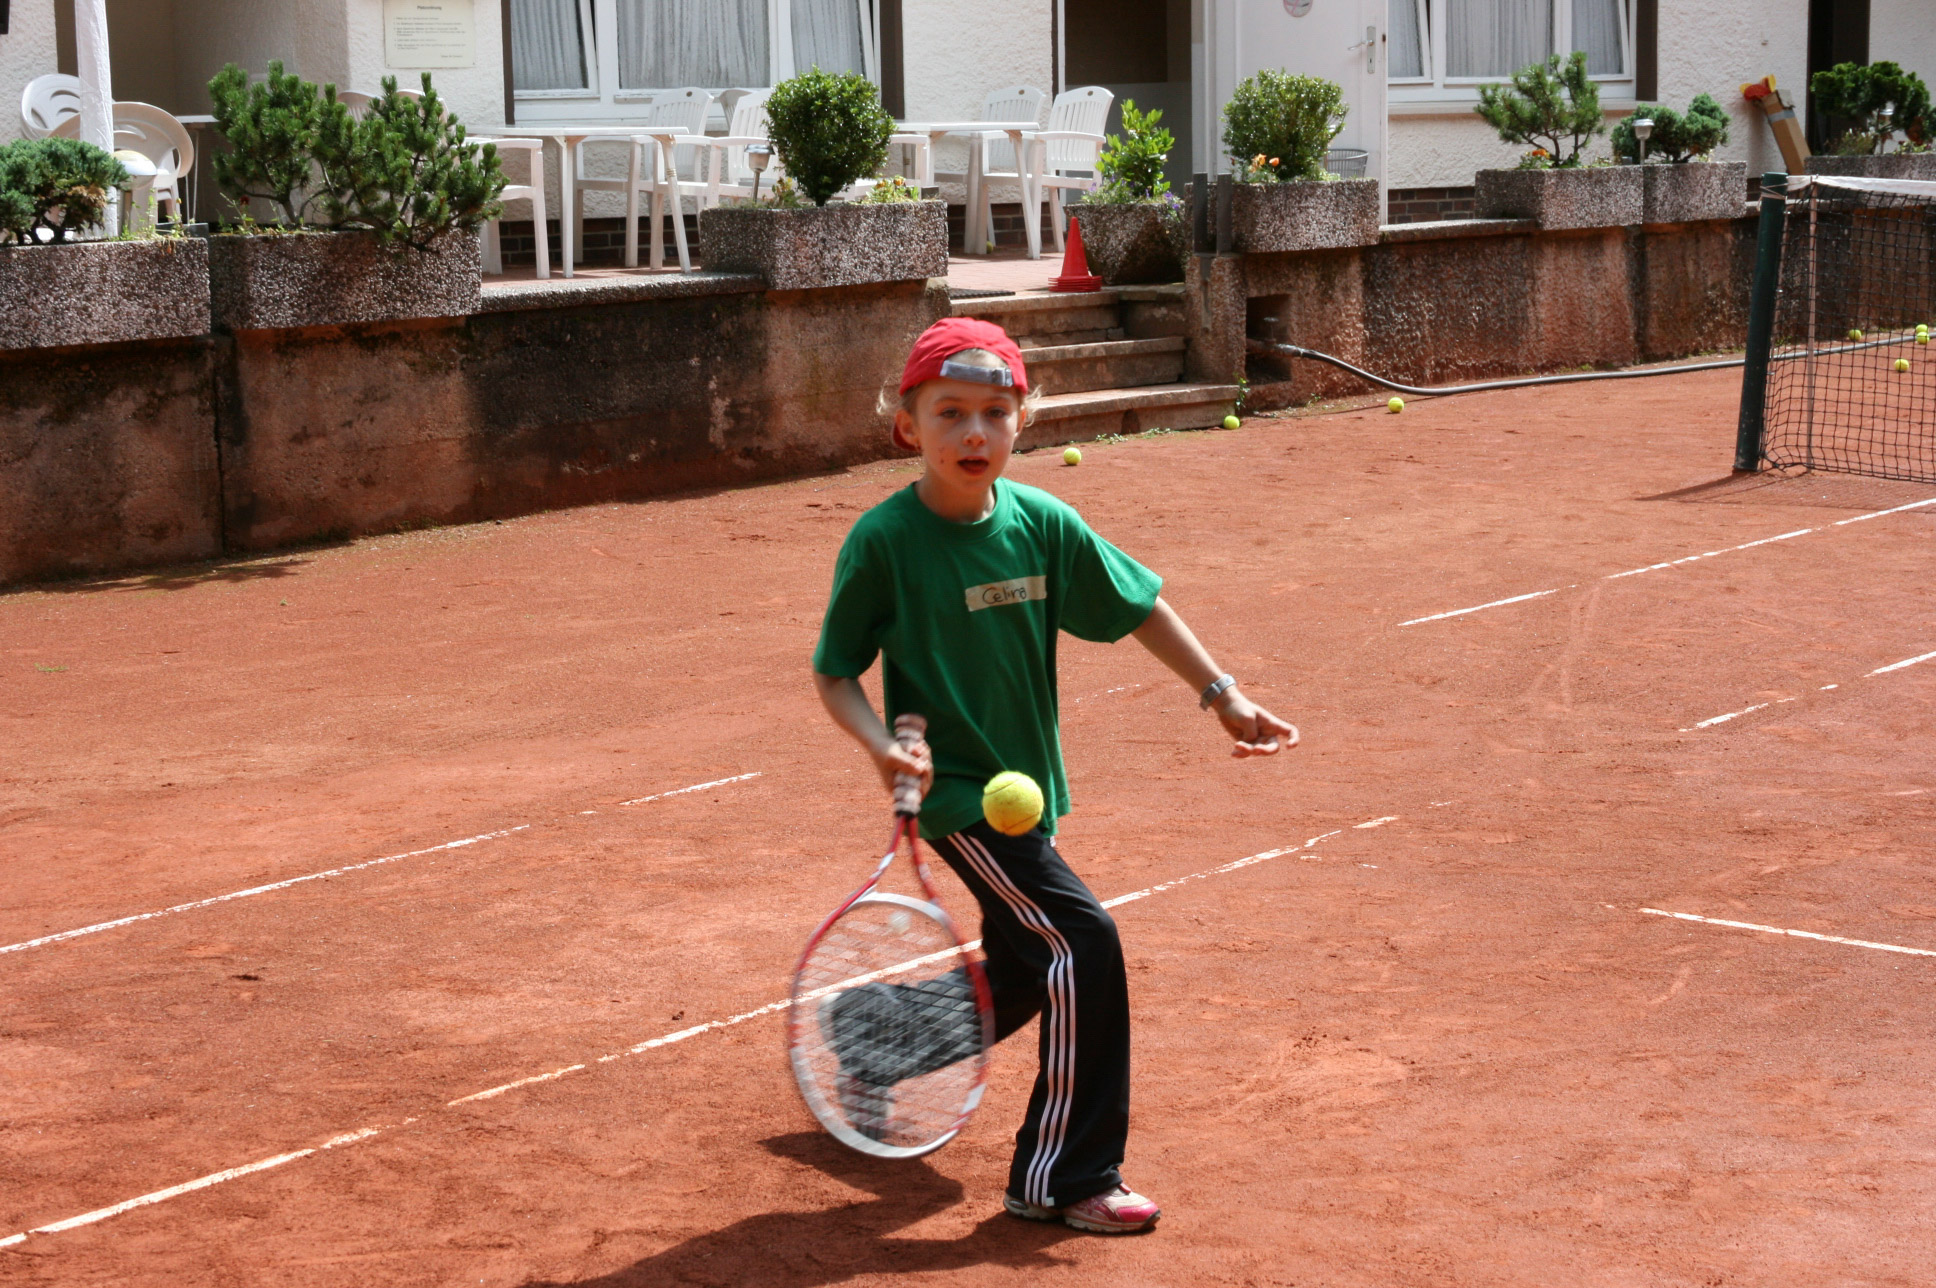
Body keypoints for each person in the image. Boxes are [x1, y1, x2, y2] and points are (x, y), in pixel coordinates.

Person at [811, 316, 1297, 1235]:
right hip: (961, 796)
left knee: (1028, 971)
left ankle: (870, 1040)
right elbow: (835, 668)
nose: (973, 433)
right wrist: (881, 745)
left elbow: (1139, 603)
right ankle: (1063, 1178)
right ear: (907, 424)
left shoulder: (1042, 523)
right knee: (1085, 941)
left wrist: (1222, 694)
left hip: (1030, 791)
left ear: (1021, 424)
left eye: (995, 413)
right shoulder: (884, 542)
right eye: (949, 413)